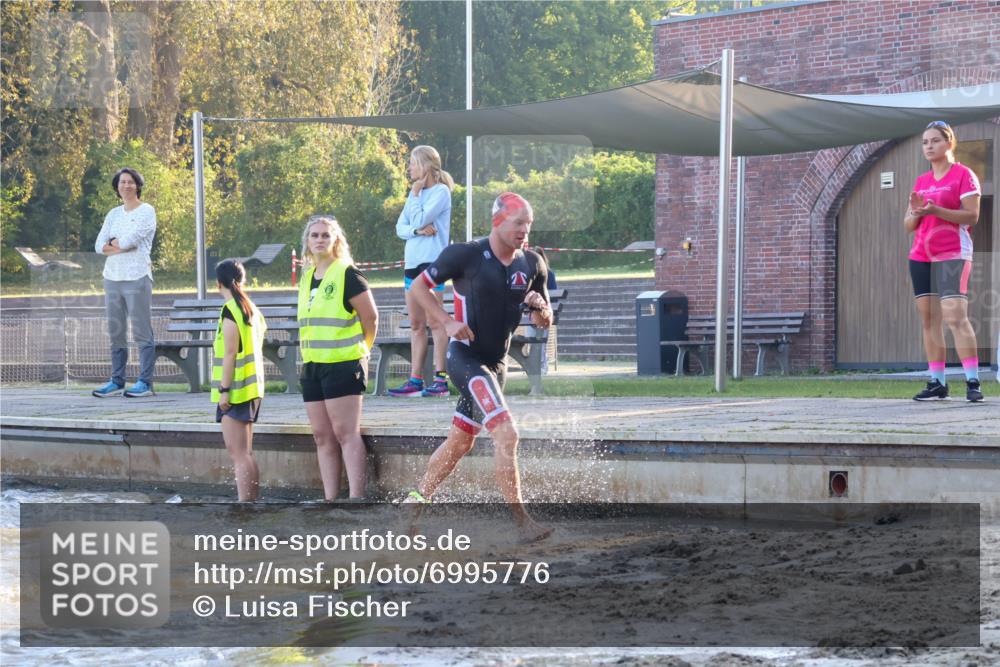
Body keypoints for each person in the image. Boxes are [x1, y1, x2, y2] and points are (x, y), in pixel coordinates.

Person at [404, 192, 554, 543]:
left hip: (496, 366)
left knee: (460, 444)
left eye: (528, 224)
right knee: (508, 434)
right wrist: (444, 321)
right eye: (518, 223)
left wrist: (538, 309)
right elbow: (419, 288)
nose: (524, 230)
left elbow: (543, 320)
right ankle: (523, 524)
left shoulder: (532, 263)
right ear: (497, 221)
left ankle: (414, 503)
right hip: (466, 358)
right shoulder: (466, 254)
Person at [298, 215, 378, 499]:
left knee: (346, 433)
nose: (319, 240)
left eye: (325, 235)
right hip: (313, 366)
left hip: (343, 364)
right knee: (322, 436)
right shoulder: (307, 278)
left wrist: (363, 350)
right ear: (307, 241)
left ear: (336, 241)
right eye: (314, 235)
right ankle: (330, 500)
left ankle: (357, 499)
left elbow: (370, 317)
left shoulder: (347, 274)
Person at [905, 121, 984, 402]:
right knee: (928, 320)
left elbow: (972, 216)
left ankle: (973, 382)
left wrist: (937, 209)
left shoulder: (964, 174)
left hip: (952, 253)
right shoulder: (921, 182)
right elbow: (908, 224)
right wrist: (917, 212)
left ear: (949, 142)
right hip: (920, 256)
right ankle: (937, 382)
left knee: (955, 317)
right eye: (925, 142)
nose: (929, 146)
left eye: (935, 140)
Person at [389, 145, 454, 398]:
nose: (409, 168)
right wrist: (417, 231)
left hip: (431, 265)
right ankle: (415, 380)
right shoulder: (414, 193)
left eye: (412, 163)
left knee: (435, 322)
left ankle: (440, 380)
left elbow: (417, 218)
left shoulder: (441, 192)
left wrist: (416, 203)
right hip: (412, 264)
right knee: (416, 324)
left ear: (425, 165)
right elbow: (401, 228)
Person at [92, 167, 158, 398]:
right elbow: (99, 246)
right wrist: (114, 243)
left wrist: (116, 243)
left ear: (137, 185)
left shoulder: (147, 211)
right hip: (112, 279)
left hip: (137, 277)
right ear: (117, 187)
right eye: (122, 182)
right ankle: (117, 380)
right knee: (115, 331)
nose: (126, 186)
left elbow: (131, 240)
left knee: (142, 331)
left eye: (130, 182)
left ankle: (144, 382)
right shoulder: (113, 214)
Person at [212, 260, 267, 502]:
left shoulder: (230, 309)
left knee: (238, 454)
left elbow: (230, 353)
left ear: (218, 284)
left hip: (235, 391)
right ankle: (251, 503)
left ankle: (245, 506)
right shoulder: (251, 308)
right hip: (252, 387)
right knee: (246, 452)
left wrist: (224, 391)